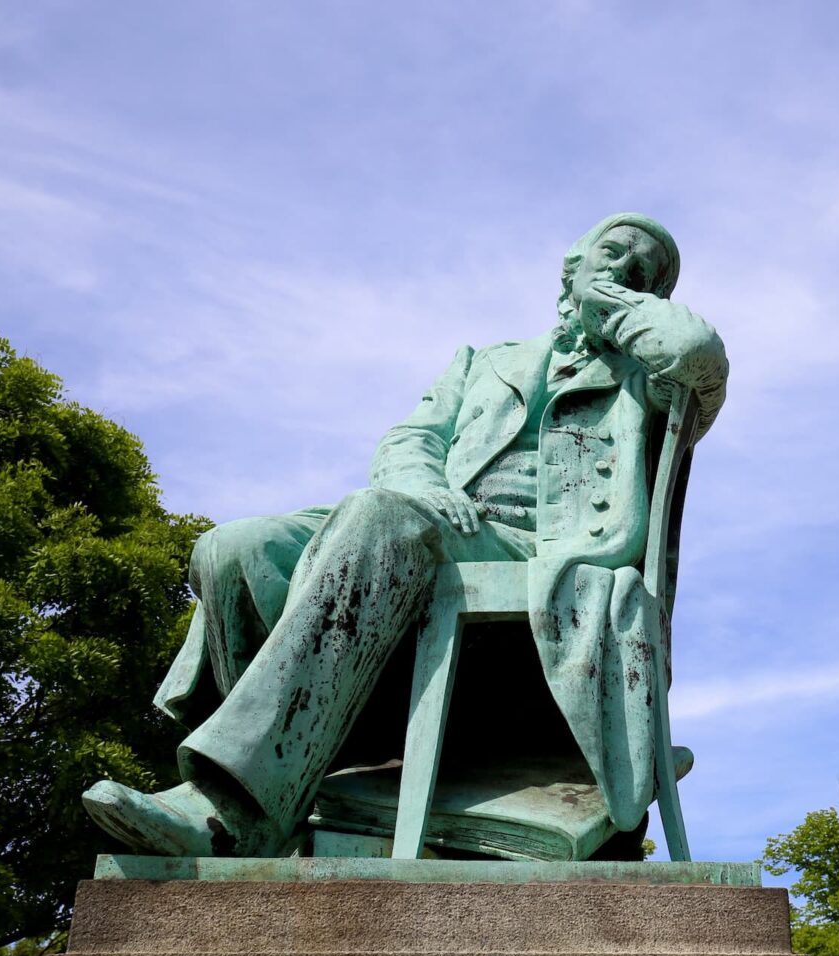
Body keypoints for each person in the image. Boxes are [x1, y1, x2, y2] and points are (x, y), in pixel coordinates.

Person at [82, 212, 728, 857]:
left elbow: (695, 352)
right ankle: (296, 770)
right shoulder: (484, 361)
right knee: (236, 548)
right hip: (437, 516)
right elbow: (411, 439)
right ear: (570, 265)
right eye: (611, 254)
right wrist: (425, 489)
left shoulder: (654, 378)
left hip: (546, 556)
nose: (623, 269)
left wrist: (612, 303)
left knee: (379, 515)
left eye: (641, 273)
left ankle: (228, 806)